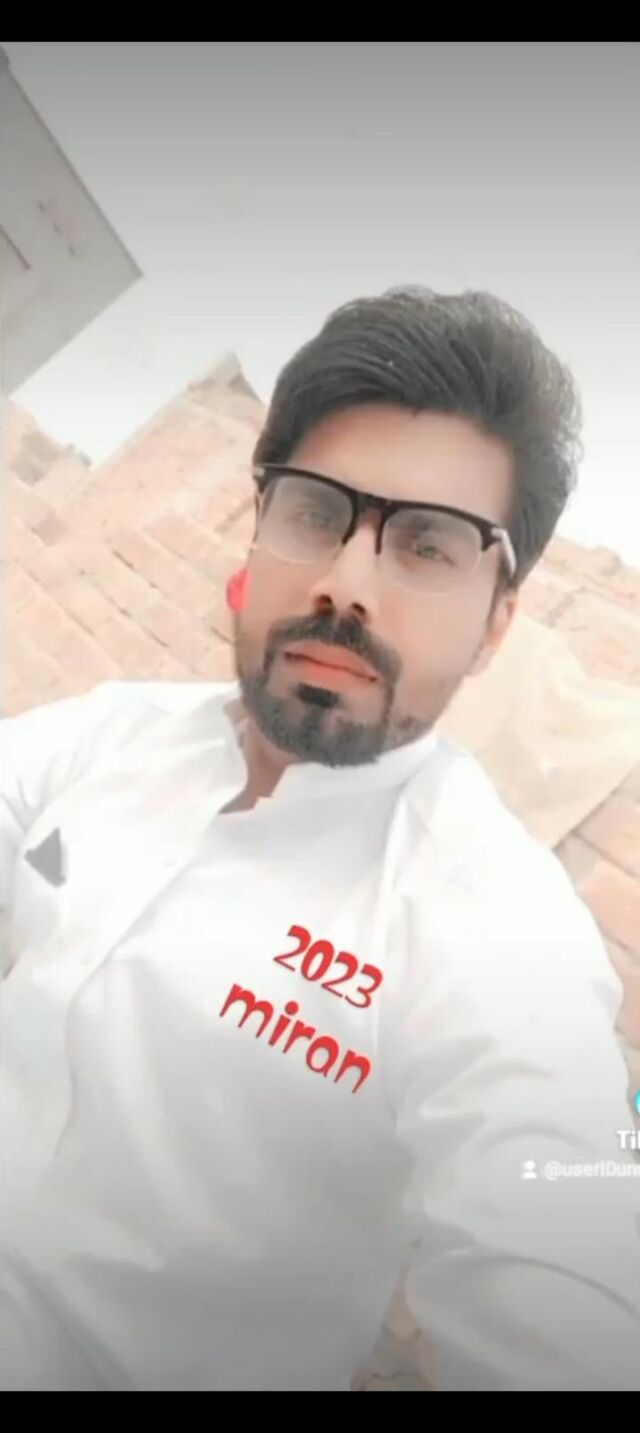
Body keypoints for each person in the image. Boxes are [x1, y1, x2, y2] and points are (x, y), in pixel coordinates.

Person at [2, 286, 639, 1392]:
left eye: (428, 545)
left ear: (496, 622)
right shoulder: (113, 733)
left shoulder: (495, 927)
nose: (347, 583)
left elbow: (573, 1304)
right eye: (314, 512)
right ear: (258, 530)